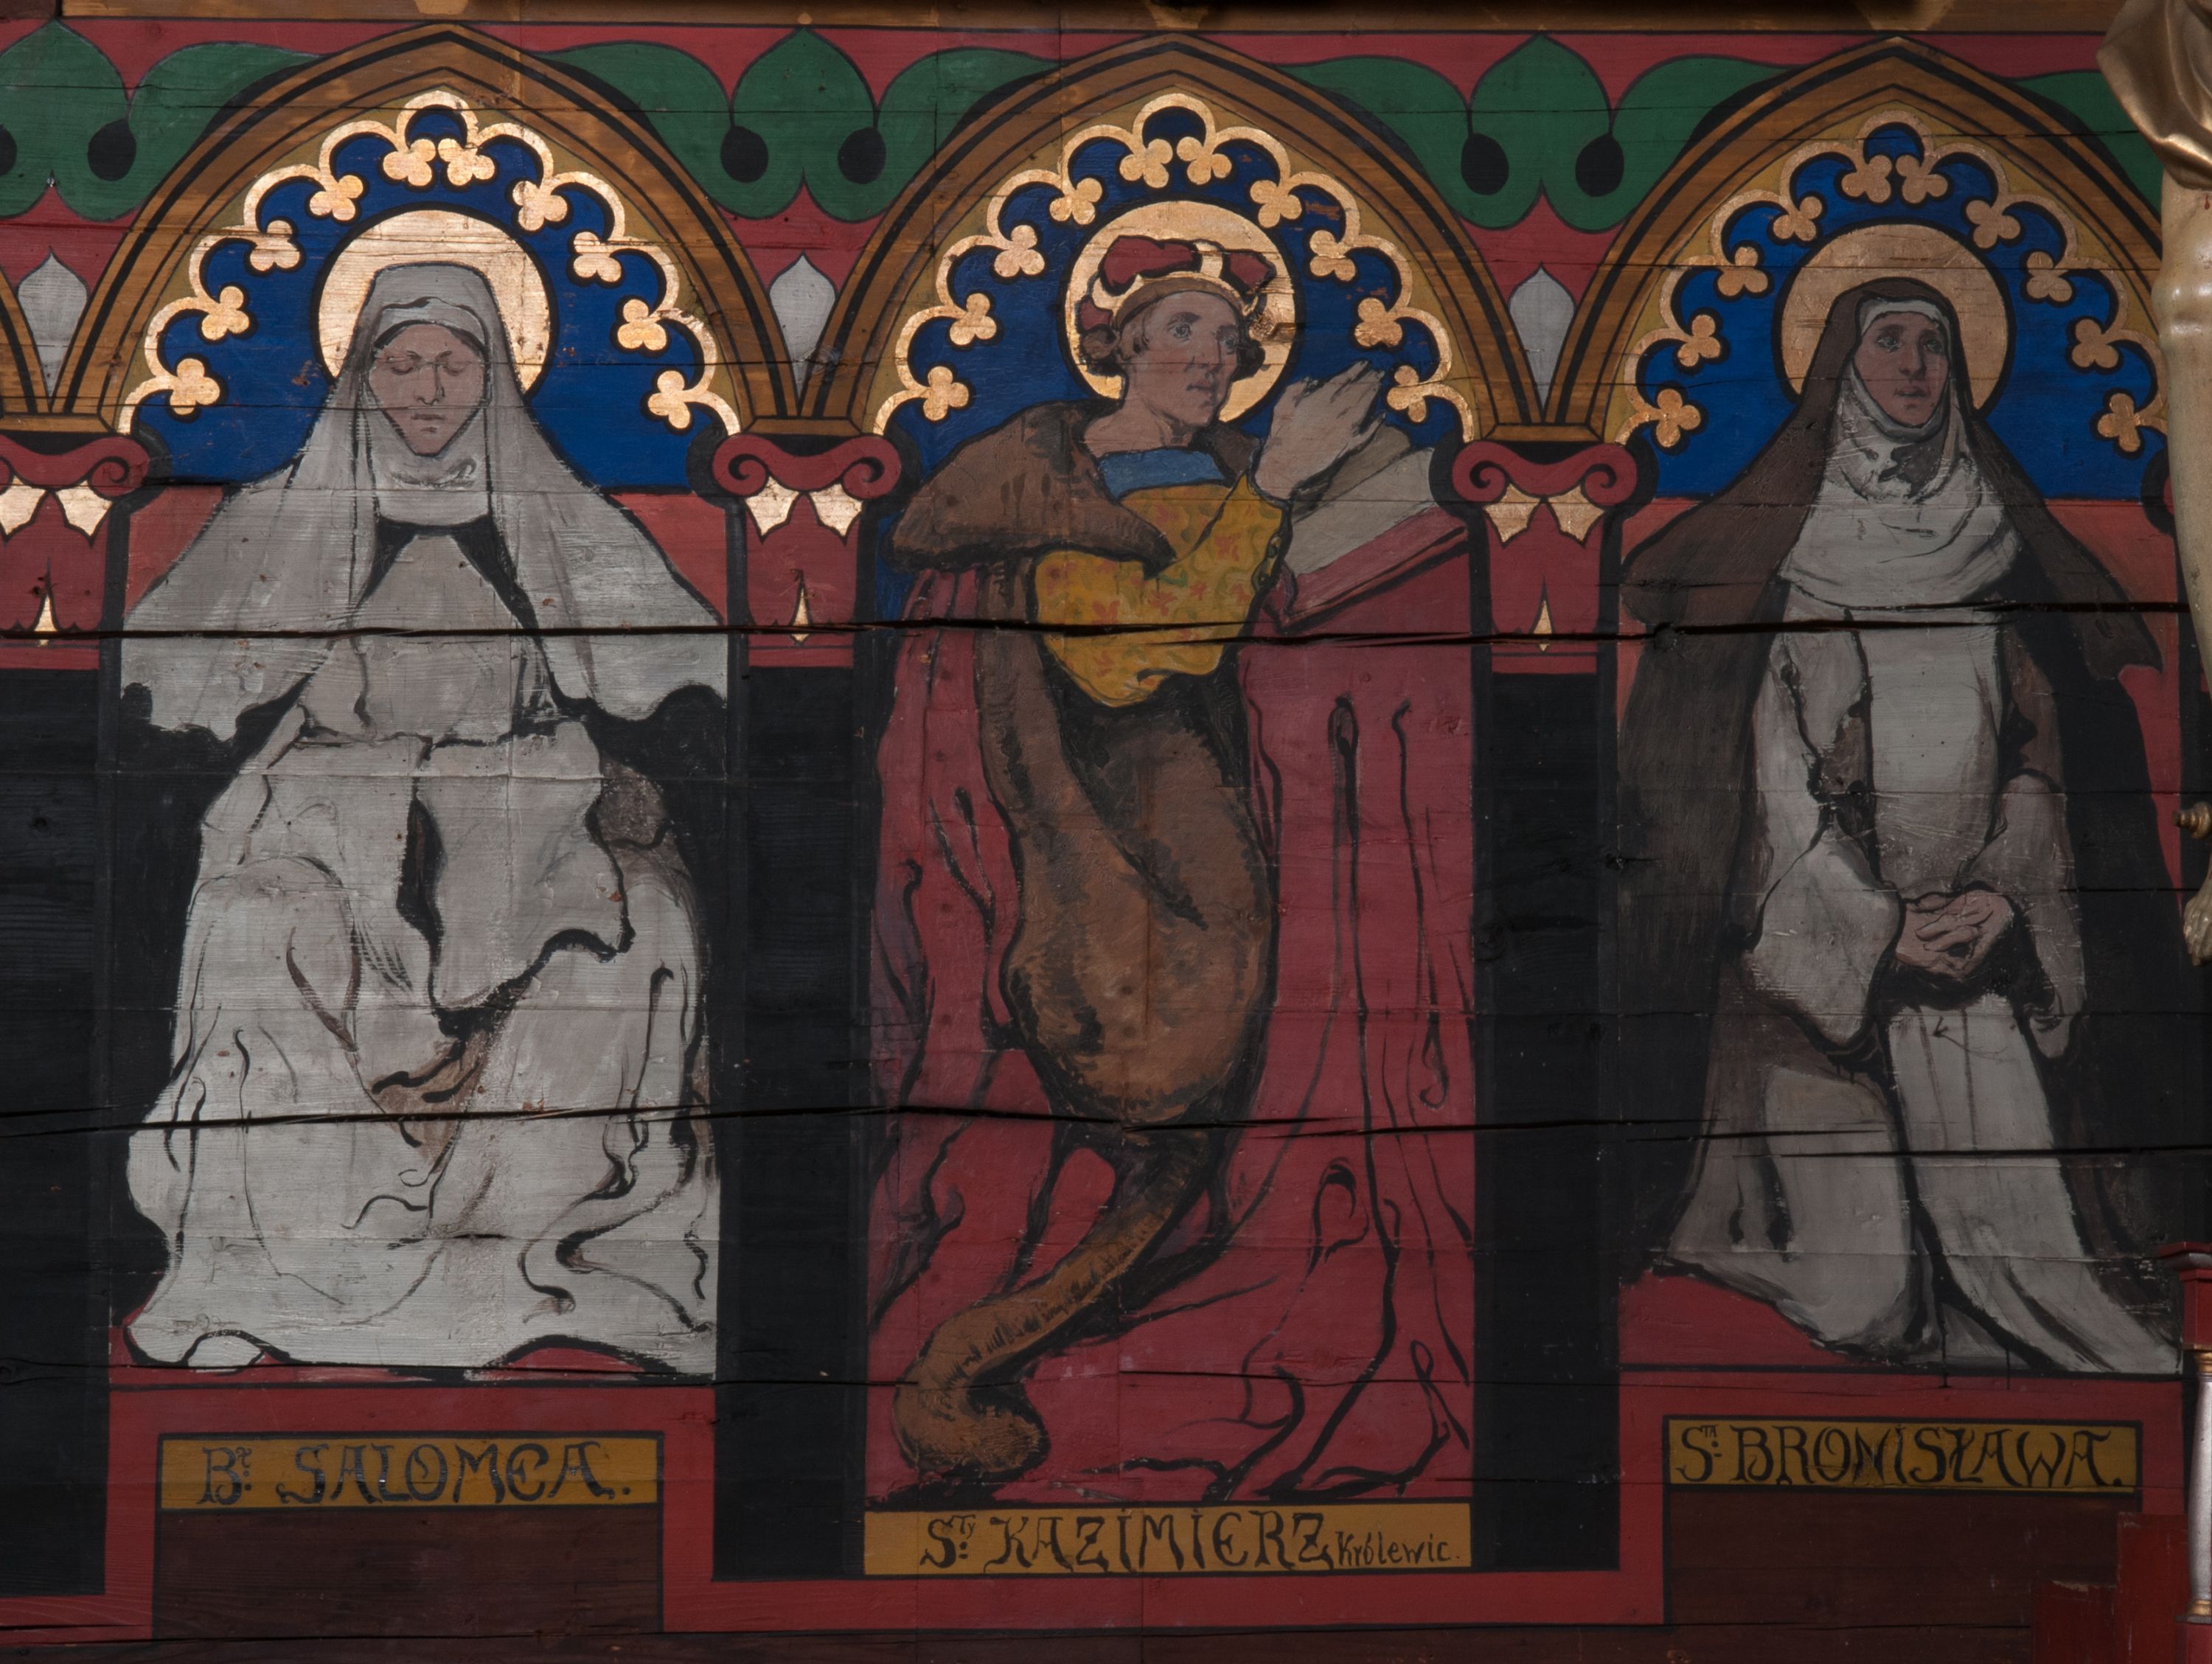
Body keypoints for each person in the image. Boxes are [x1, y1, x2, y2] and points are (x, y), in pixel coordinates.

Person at [871, 232, 1471, 1499]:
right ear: (1118, 341)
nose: (1216, 359)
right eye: (1185, 330)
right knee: (1168, 1091)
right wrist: (1278, 490)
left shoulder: (1234, 467)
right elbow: (1132, 653)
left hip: (1235, 827)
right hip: (1127, 867)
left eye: (1232, 339)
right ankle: (982, 1352)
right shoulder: (1058, 484)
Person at [118, 262, 724, 1373]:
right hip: (327, 823)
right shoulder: (279, 517)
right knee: (251, 920)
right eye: (400, 363)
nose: (428, 390)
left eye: (454, 363)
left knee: (645, 927)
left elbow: (667, 688)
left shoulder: (560, 519)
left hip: (530, 814)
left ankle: (519, 1250)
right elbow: (180, 693)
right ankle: (283, 1266)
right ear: (360, 372)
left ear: (497, 372)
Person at [1618, 275, 2188, 1374]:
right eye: (1889, 341)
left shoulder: (1995, 547)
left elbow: (2037, 763)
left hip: (1971, 959)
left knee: (2033, 1268)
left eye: (1934, 344)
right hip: (1813, 992)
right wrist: (1880, 937)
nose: (1916, 367)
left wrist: (2003, 900)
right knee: (1866, 1295)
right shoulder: (1789, 555)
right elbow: (1771, 797)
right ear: (1841, 364)